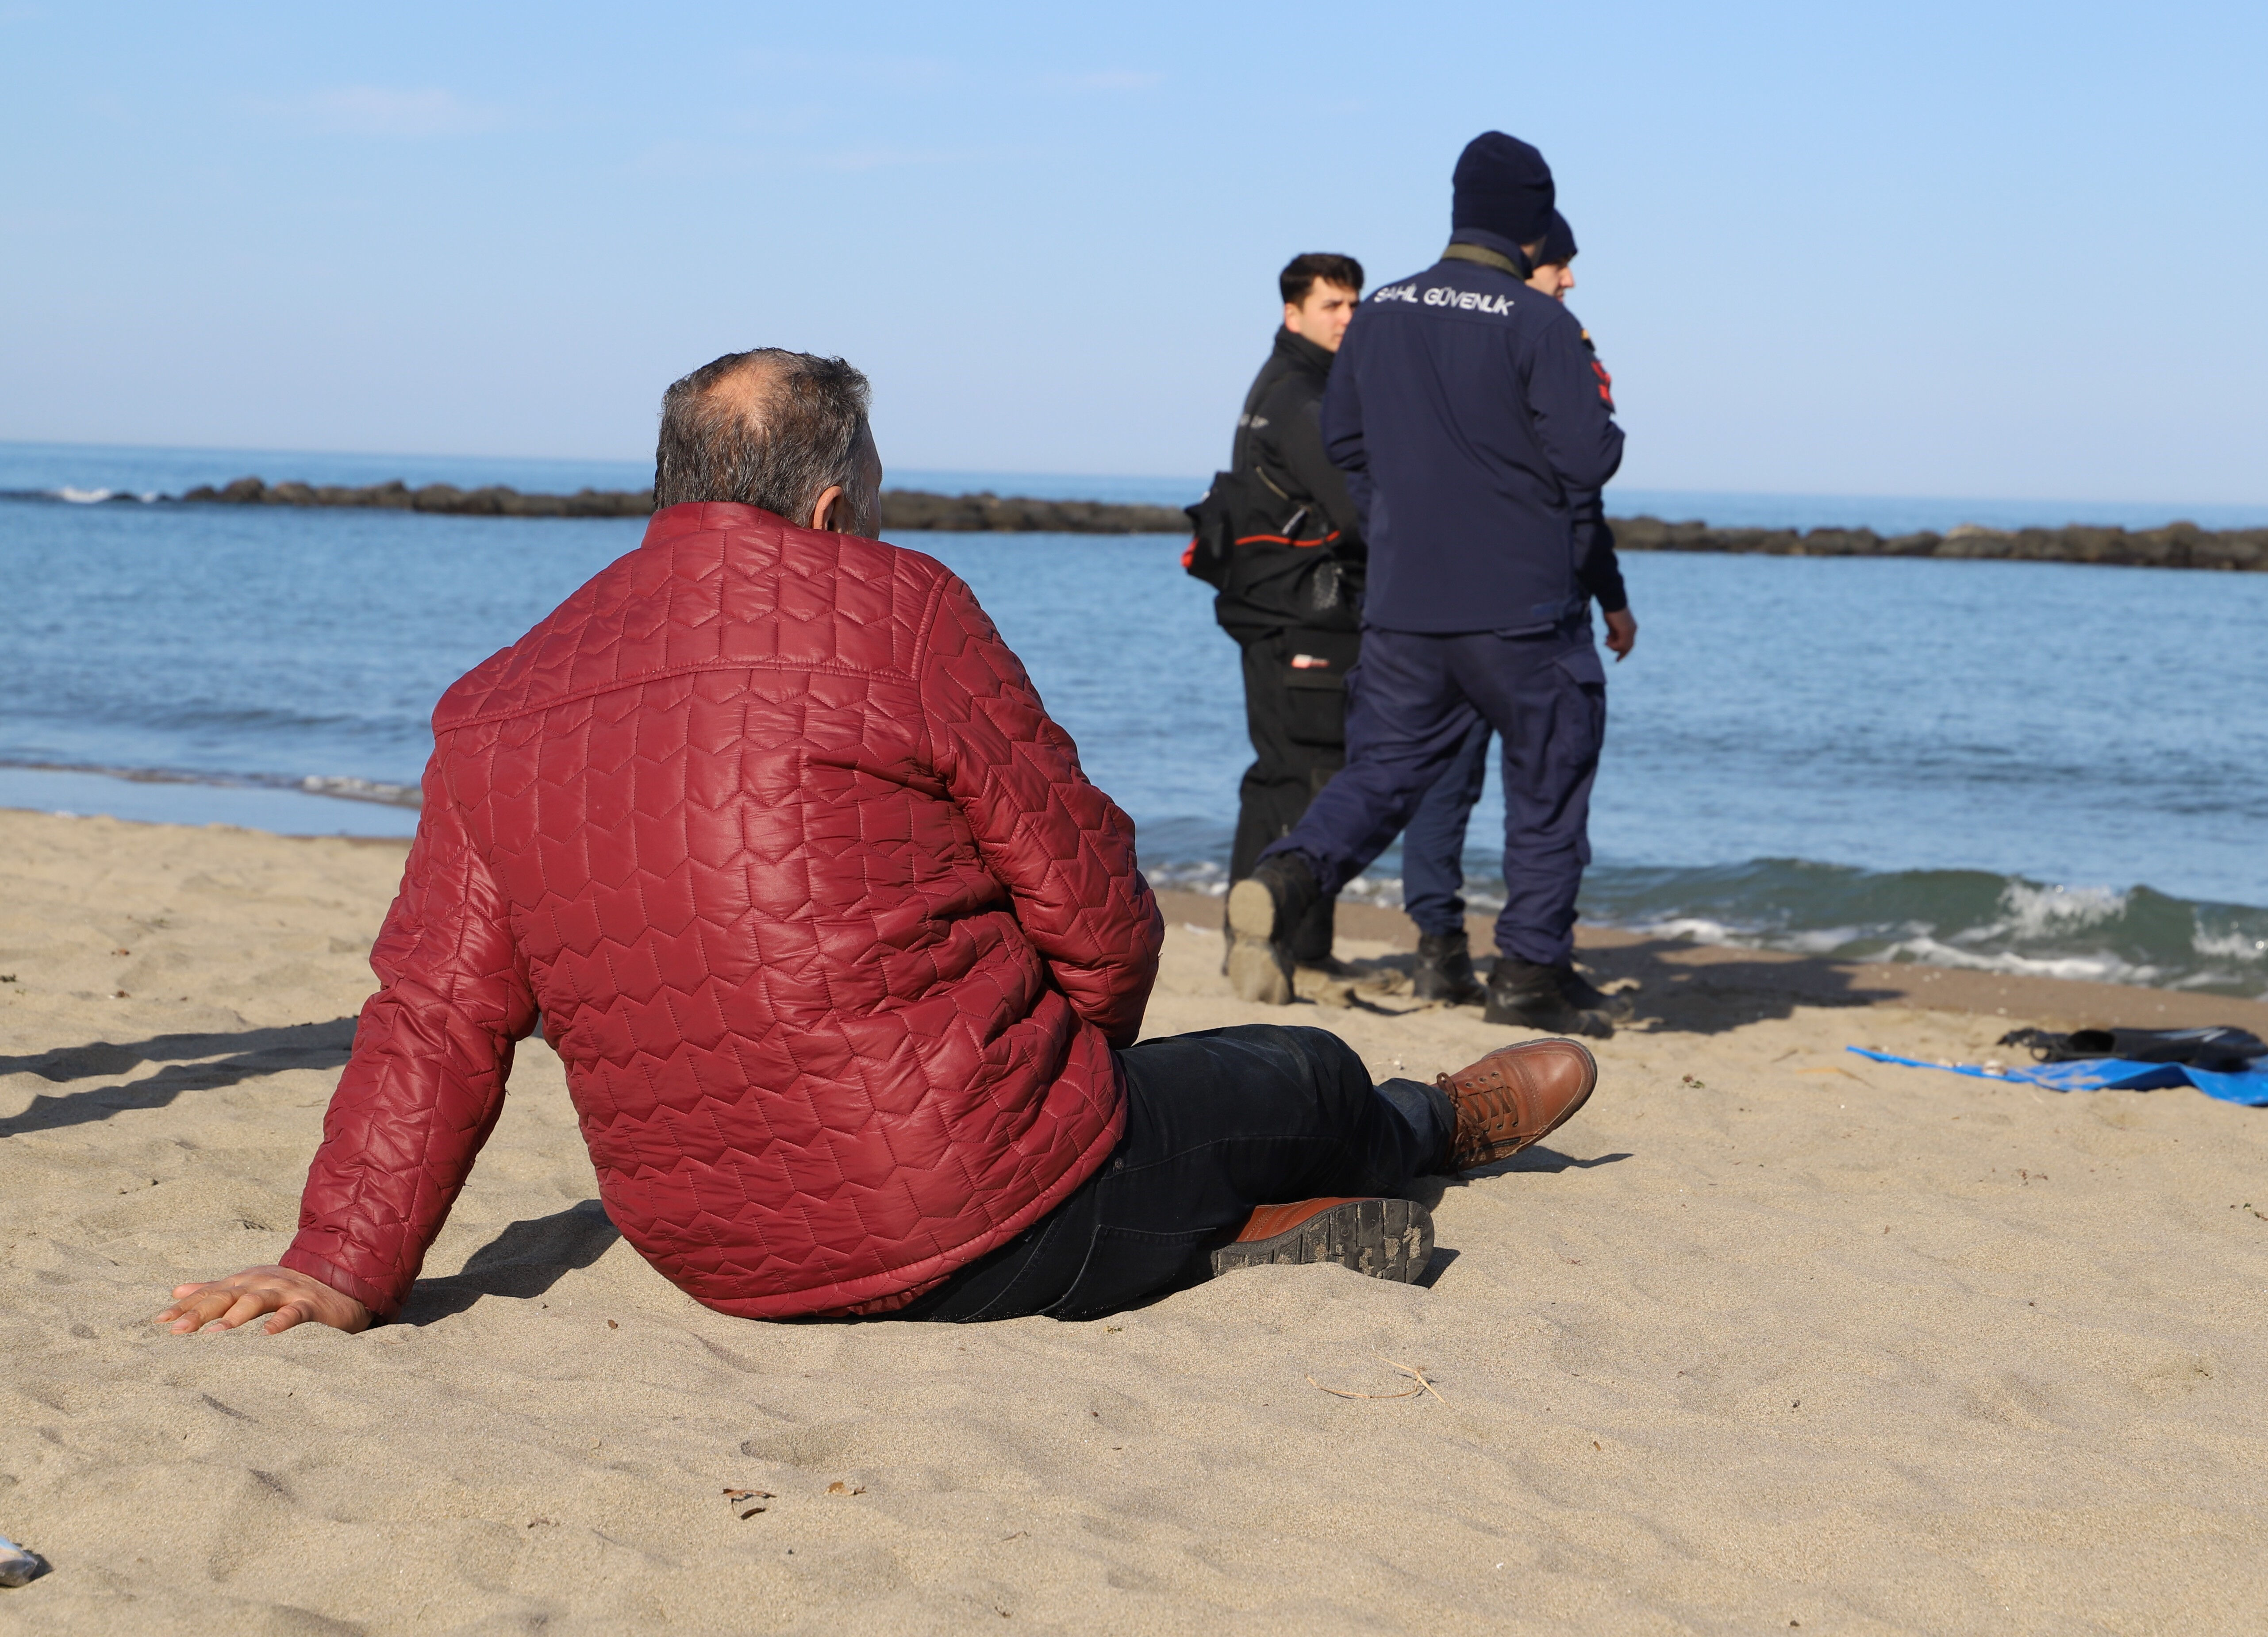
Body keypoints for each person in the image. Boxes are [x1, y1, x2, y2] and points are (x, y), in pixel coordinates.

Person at [154, 348, 1602, 1336]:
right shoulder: (897, 608)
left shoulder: (494, 701)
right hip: (988, 1206)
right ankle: (1435, 1129)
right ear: (836, 505)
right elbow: (1102, 917)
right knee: (1295, 1067)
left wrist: (340, 1264)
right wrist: (1064, 1074)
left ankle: (1257, 1220)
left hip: (725, 1267)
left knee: (1177, 1133)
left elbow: (436, 1015)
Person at [1227, 133, 1630, 1038]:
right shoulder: (1540, 324)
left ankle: (1289, 876)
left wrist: (1405, 527)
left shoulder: (1381, 314)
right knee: (1548, 780)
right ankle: (1526, 972)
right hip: (1521, 610)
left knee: (1384, 773)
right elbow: (1588, 457)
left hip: (1406, 607)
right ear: (1533, 218)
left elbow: (1349, 444)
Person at [1209, 254, 1492, 1004]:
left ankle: (1281, 945)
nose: (1347, 318)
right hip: (1306, 612)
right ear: (1291, 312)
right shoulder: (1301, 395)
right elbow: (1359, 511)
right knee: (1304, 771)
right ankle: (1286, 948)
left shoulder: (1288, 387)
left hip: (1281, 607)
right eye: (1331, 304)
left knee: (1285, 769)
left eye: (1353, 304)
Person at [1395, 208, 1638, 1008]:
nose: (1569, 279)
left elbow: (1581, 504)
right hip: (1524, 612)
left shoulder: (1455, 345)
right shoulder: (1547, 346)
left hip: (1463, 600)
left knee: (1464, 786)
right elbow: (1583, 482)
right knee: (1533, 789)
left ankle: (1487, 954)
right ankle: (1499, 959)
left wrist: (1612, 596)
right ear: (1527, 259)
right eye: (1560, 264)